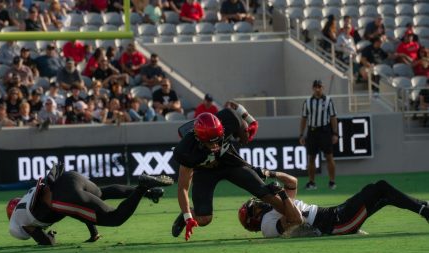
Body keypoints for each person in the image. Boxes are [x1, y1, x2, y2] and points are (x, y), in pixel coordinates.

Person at [170, 102, 303, 241]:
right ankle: (187, 214)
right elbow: (183, 188)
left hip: (230, 162)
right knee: (204, 219)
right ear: (199, 139)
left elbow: (243, 131)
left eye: (218, 140)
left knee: (265, 192)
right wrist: (188, 217)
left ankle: (297, 221)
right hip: (204, 172)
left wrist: (250, 124)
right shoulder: (185, 151)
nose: (215, 146)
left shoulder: (230, 119)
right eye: (211, 143)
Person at [7, 164, 173, 245]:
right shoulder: (30, 197)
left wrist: (50, 237)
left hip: (61, 197)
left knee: (114, 218)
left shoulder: (22, 221)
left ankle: (143, 187)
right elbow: (80, 212)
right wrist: (93, 232)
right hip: (70, 178)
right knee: (102, 193)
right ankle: (149, 192)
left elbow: (47, 243)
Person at [238, 172, 429, 239]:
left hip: (334, 215)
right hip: (334, 224)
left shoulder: (273, 207)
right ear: (253, 220)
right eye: (254, 208)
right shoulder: (267, 227)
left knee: (382, 193)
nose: (258, 204)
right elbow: (295, 219)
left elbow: (292, 183)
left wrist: (269, 173)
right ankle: (424, 209)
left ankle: (424, 208)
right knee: (379, 189)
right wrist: (280, 194)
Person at [298, 80, 338, 190]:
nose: (317, 89)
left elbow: (333, 118)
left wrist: (335, 133)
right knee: (311, 158)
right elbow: (304, 118)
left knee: (329, 156)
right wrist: (301, 134)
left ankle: (332, 181)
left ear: (323, 87)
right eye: (315, 87)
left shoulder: (328, 101)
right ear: (312, 88)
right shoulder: (307, 102)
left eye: (319, 87)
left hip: (325, 131)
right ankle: (311, 182)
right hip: (312, 132)